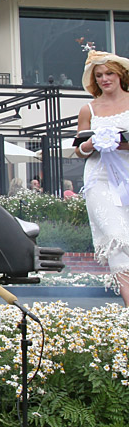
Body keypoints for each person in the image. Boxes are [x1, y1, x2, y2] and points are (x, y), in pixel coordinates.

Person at [75, 49, 129, 305]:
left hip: (127, 176)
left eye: (109, 73)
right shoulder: (89, 109)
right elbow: (79, 148)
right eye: (99, 76)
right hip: (99, 179)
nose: (104, 79)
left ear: (120, 75)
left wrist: (120, 143)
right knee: (116, 238)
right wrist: (91, 145)